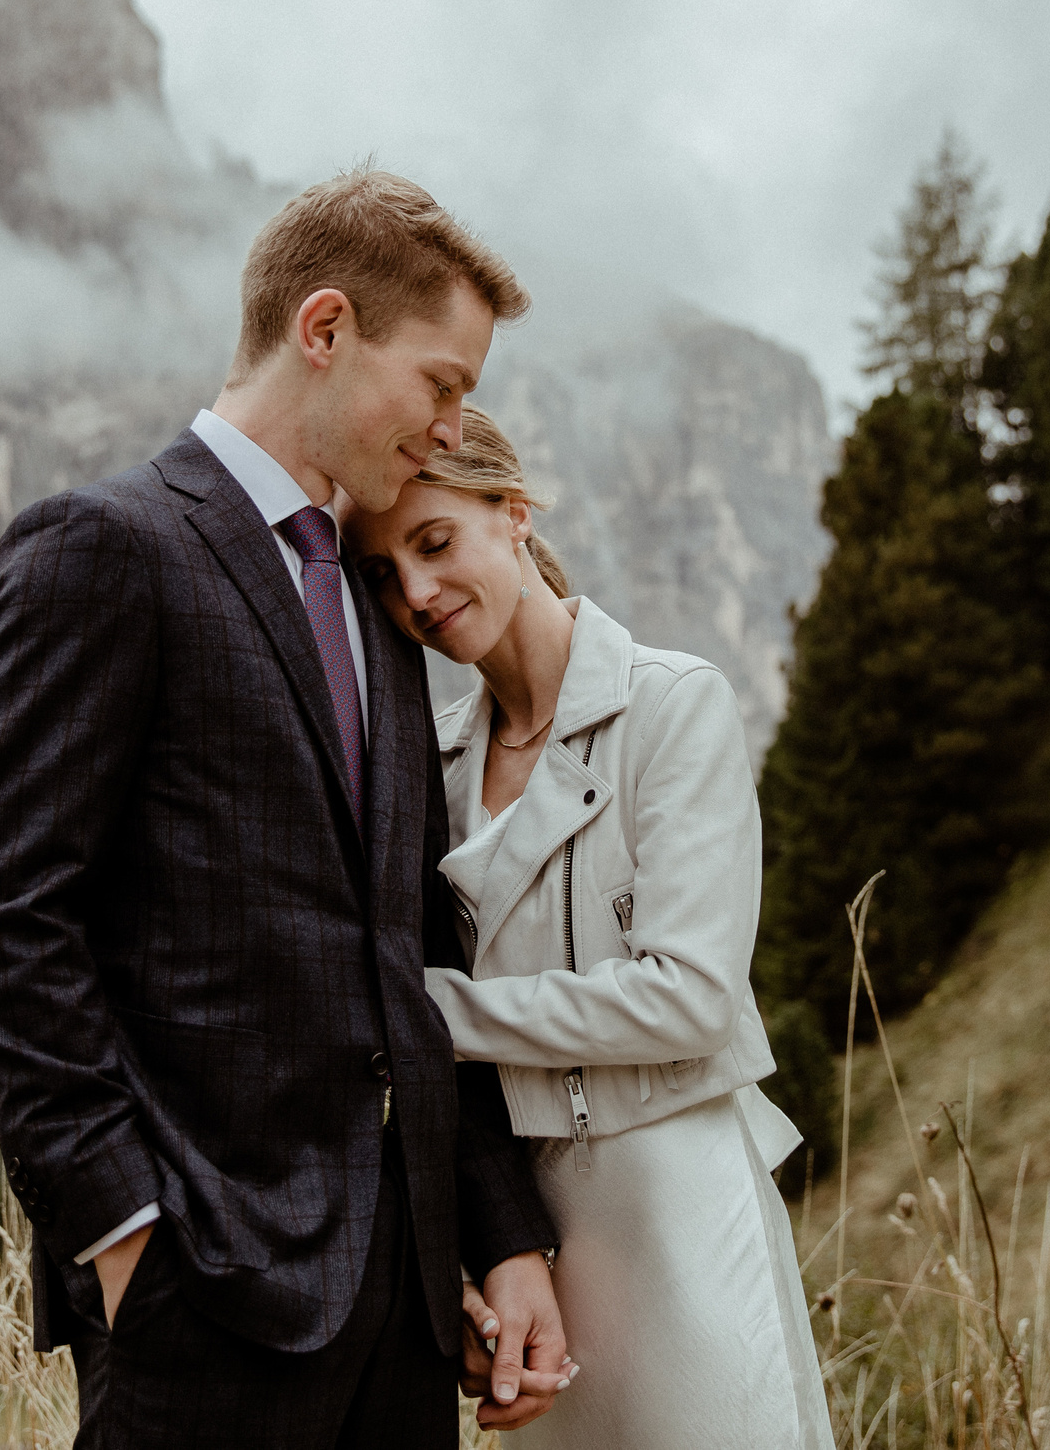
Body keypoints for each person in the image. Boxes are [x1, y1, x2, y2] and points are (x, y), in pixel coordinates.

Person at [0, 170, 574, 1449]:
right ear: (323, 329)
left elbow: (420, 949)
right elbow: (2, 916)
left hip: (401, 1318)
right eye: (441, 384)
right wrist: (125, 1240)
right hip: (195, 1303)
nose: (453, 431)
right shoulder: (101, 548)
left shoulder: (379, 601)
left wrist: (502, 1239)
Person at [340, 406, 839, 1448]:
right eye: (384, 574)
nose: (418, 595)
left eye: (435, 545)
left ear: (513, 515)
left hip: (676, 1191)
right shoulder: (425, 768)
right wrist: (487, 1246)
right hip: (536, 1227)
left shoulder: (672, 705)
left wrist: (432, 1009)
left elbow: (692, 998)